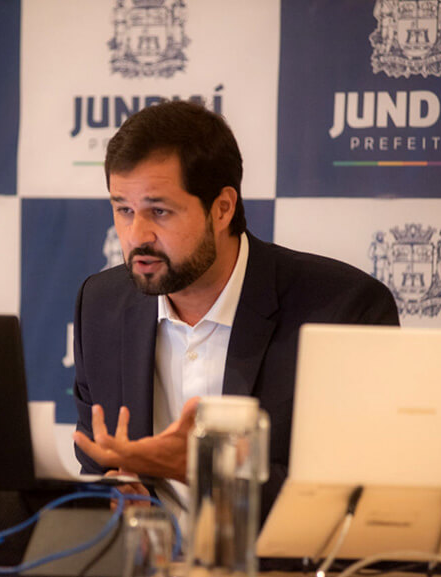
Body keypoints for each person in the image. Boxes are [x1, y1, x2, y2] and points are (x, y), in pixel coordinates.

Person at [72, 100, 399, 525]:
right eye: (124, 210)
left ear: (222, 208)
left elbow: (358, 499)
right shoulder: (101, 305)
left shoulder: (344, 309)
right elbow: (95, 472)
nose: (137, 235)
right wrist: (115, 497)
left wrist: (203, 468)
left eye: (160, 211)